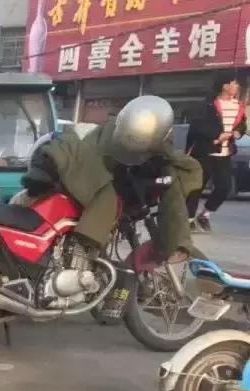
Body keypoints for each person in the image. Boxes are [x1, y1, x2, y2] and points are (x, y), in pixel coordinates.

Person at [20, 96, 201, 266]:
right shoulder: (88, 143)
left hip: (83, 186)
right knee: (104, 203)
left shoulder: (157, 152)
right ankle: (80, 256)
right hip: (54, 188)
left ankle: (80, 263)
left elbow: (174, 192)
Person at [185, 74, 246, 233]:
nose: (237, 86)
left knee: (224, 187)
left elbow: (242, 124)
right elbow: (197, 127)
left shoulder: (237, 106)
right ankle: (188, 219)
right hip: (205, 153)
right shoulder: (208, 105)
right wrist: (216, 136)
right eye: (234, 83)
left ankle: (205, 215)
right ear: (225, 86)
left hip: (224, 154)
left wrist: (238, 133)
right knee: (197, 187)